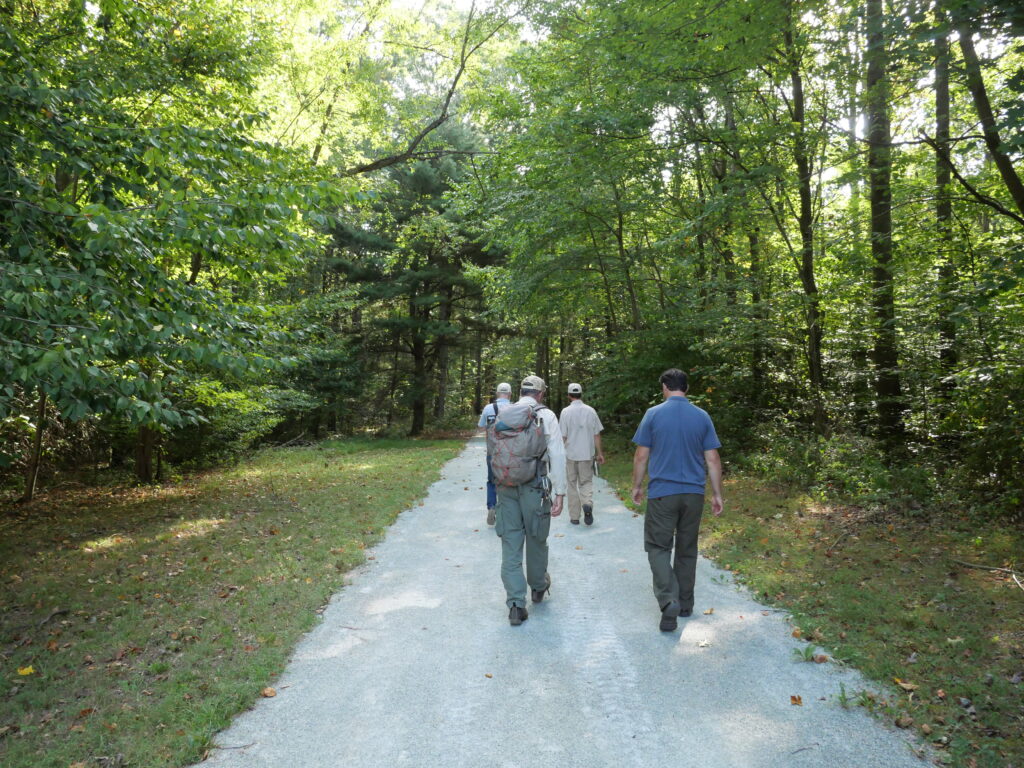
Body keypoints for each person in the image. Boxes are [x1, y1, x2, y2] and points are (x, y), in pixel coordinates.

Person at [631, 368, 723, 632]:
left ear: (664, 387)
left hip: (662, 492)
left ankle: (668, 599)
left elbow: (641, 456)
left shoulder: (653, 414)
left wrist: (637, 486)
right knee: (687, 548)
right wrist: (717, 494)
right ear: (687, 388)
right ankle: (684, 603)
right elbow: (713, 459)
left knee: (658, 547)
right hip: (693, 494)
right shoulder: (702, 416)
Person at [492, 375, 566, 626]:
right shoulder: (546, 416)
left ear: (520, 391)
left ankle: (515, 604)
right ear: (541, 394)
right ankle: (537, 587)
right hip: (535, 486)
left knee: (511, 543)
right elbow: (557, 453)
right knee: (537, 538)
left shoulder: (505, 412)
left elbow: (493, 452)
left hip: (506, 485)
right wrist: (560, 491)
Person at [559, 382, 605, 525]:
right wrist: (600, 453)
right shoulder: (591, 411)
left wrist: (558, 454)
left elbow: (563, 436)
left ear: (568, 395)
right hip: (586, 454)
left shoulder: (565, 412)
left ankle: (574, 517)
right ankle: (587, 503)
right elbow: (596, 434)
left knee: (571, 484)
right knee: (586, 482)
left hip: (570, 454)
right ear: (581, 394)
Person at [478, 382, 513, 526]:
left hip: (492, 452)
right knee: (509, 482)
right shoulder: (514, 408)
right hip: (510, 453)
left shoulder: (488, 408)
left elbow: (481, 427)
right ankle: (506, 511)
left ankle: (492, 506)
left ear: (497, 394)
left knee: (491, 481)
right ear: (510, 394)